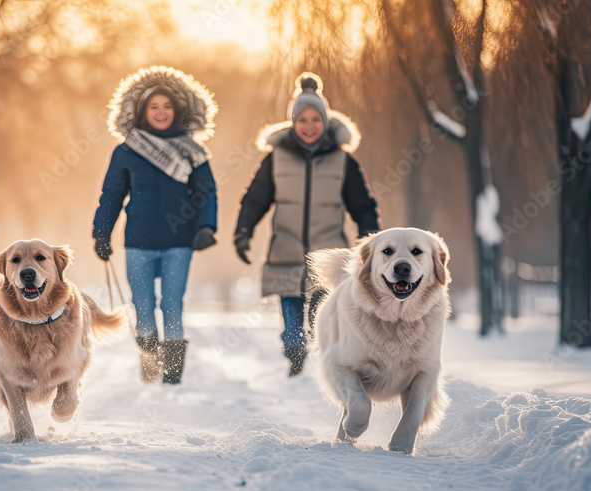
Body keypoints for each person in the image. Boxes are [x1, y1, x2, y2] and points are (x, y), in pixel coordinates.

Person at [234, 72, 380, 377]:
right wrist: (243, 231)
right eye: (303, 120)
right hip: (285, 250)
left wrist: (371, 242)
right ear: (293, 123)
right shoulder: (276, 159)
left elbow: (362, 205)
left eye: (316, 119)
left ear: (325, 121)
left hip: (328, 255)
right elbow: (255, 199)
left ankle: (316, 366)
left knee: (319, 319)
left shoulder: (343, 161)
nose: (309, 126)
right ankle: (294, 355)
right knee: (291, 327)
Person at [93, 66, 218, 384]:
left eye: (166, 107)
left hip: (180, 241)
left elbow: (206, 193)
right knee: (143, 305)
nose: (161, 112)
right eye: (154, 107)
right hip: (138, 241)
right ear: (142, 111)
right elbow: (111, 195)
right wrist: (101, 233)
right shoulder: (127, 152)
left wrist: (206, 227)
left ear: (176, 111)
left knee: (173, 304)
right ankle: (150, 365)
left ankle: (172, 375)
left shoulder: (193, 151)